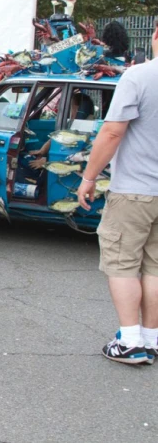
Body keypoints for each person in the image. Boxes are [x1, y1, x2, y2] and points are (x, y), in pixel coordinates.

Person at [77, 27, 158, 365]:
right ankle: (152, 339)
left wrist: (89, 176)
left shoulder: (138, 76)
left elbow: (112, 131)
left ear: (155, 36)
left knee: (123, 264)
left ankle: (129, 341)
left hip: (135, 189)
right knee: (154, 266)